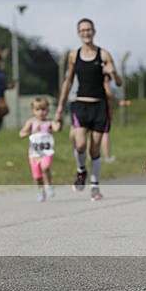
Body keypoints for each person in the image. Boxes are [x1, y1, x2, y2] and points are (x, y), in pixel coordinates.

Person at [54, 18, 121, 200]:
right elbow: (68, 82)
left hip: (99, 106)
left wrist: (113, 71)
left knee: (94, 149)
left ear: (94, 31)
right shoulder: (73, 56)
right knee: (80, 143)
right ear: (78, 33)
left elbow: (119, 82)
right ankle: (81, 170)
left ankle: (95, 186)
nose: (86, 33)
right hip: (81, 104)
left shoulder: (104, 54)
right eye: (82, 30)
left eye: (89, 30)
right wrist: (60, 107)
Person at [19, 97, 61, 201]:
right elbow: (21, 133)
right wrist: (30, 132)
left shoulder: (49, 122)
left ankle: (48, 185)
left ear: (47, 110)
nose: (41, 113)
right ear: (33, 111)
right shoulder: (31, 122)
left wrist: (59, 121)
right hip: (34, 153)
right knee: (37, 176)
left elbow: (57, 128)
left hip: (46, 152)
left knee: (45, 167)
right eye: (37, 110)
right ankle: (40, 190)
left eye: (43, 109)